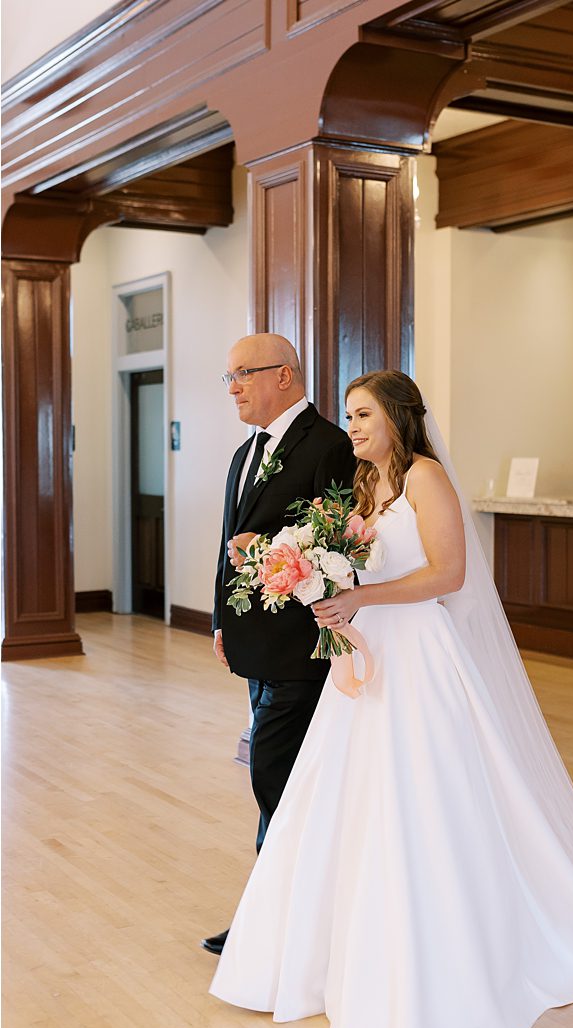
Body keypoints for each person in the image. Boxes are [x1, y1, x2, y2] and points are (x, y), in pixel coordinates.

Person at [210, 369, 573, 1028]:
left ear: (399, 418)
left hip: (418, 654)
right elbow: (349, 561)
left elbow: (448, 575)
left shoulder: (426, 477)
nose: (354, 427)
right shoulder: (367, 487)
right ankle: (339, 952)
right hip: (370, 659)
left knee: (426, 797)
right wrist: (295, 563)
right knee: (352, 798)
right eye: (349, 415)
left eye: (365, 414)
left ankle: (449, 953)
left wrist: (360, 601)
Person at [202, 334, 357, 956]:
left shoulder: (329, 445)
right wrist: (220, 619)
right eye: (229, 376)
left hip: (302, 646)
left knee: (276, 775)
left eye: (243, 374)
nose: (234, 387)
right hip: (253, 641)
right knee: (276, 775)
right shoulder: (245, 453)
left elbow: (339, 548)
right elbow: (229, 542)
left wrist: (269, 559)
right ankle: (281, 913)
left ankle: (275, 921)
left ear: (285, 376)